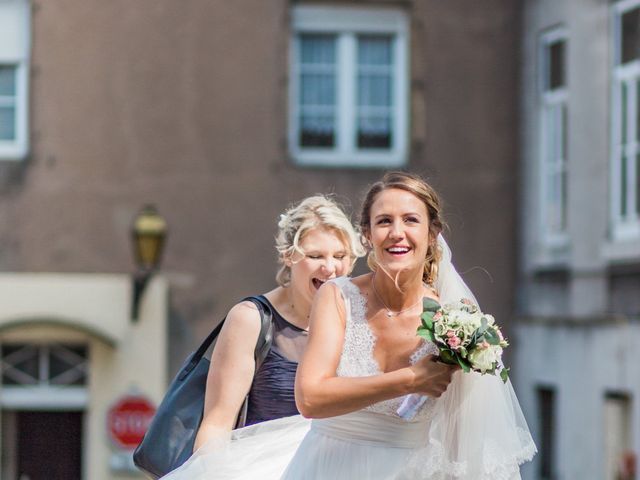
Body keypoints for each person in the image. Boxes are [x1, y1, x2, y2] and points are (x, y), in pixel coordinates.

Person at [164, 172, 536, 480]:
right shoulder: (337, 298)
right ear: (368, 234)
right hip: (328, 467)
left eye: (410, 220)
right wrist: (411, 379)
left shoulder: (459, 318)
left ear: (432, 233)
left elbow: (463, 440)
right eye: (384, 221)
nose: (397, 232)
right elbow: (308, 398)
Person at [192, 195, 365, 451]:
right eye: (316, 255)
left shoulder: (361, 321)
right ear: (288, 256)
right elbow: (217, 424)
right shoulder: (251, 319)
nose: (330, 268)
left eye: (340, 255)